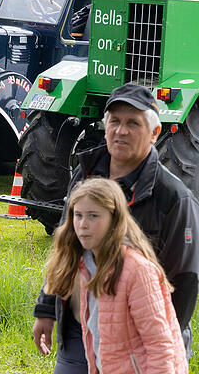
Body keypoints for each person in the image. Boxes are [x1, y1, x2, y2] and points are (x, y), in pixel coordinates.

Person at [32, 83, 199, 374]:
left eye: (133, 123)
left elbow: (184, 283)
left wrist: (163, 347)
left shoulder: (174, 197)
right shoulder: (85, 173)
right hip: (78, 331)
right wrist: (47, 307)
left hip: (135, 342)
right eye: (115, 121)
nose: (121, 131)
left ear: (154, 133)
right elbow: (66, 246)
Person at [44, 178, 188, 374]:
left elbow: (160, 345)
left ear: (114, 219)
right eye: (78, 215)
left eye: (93, 216)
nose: (83, 224)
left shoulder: (137, 270)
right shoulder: (84, 265)